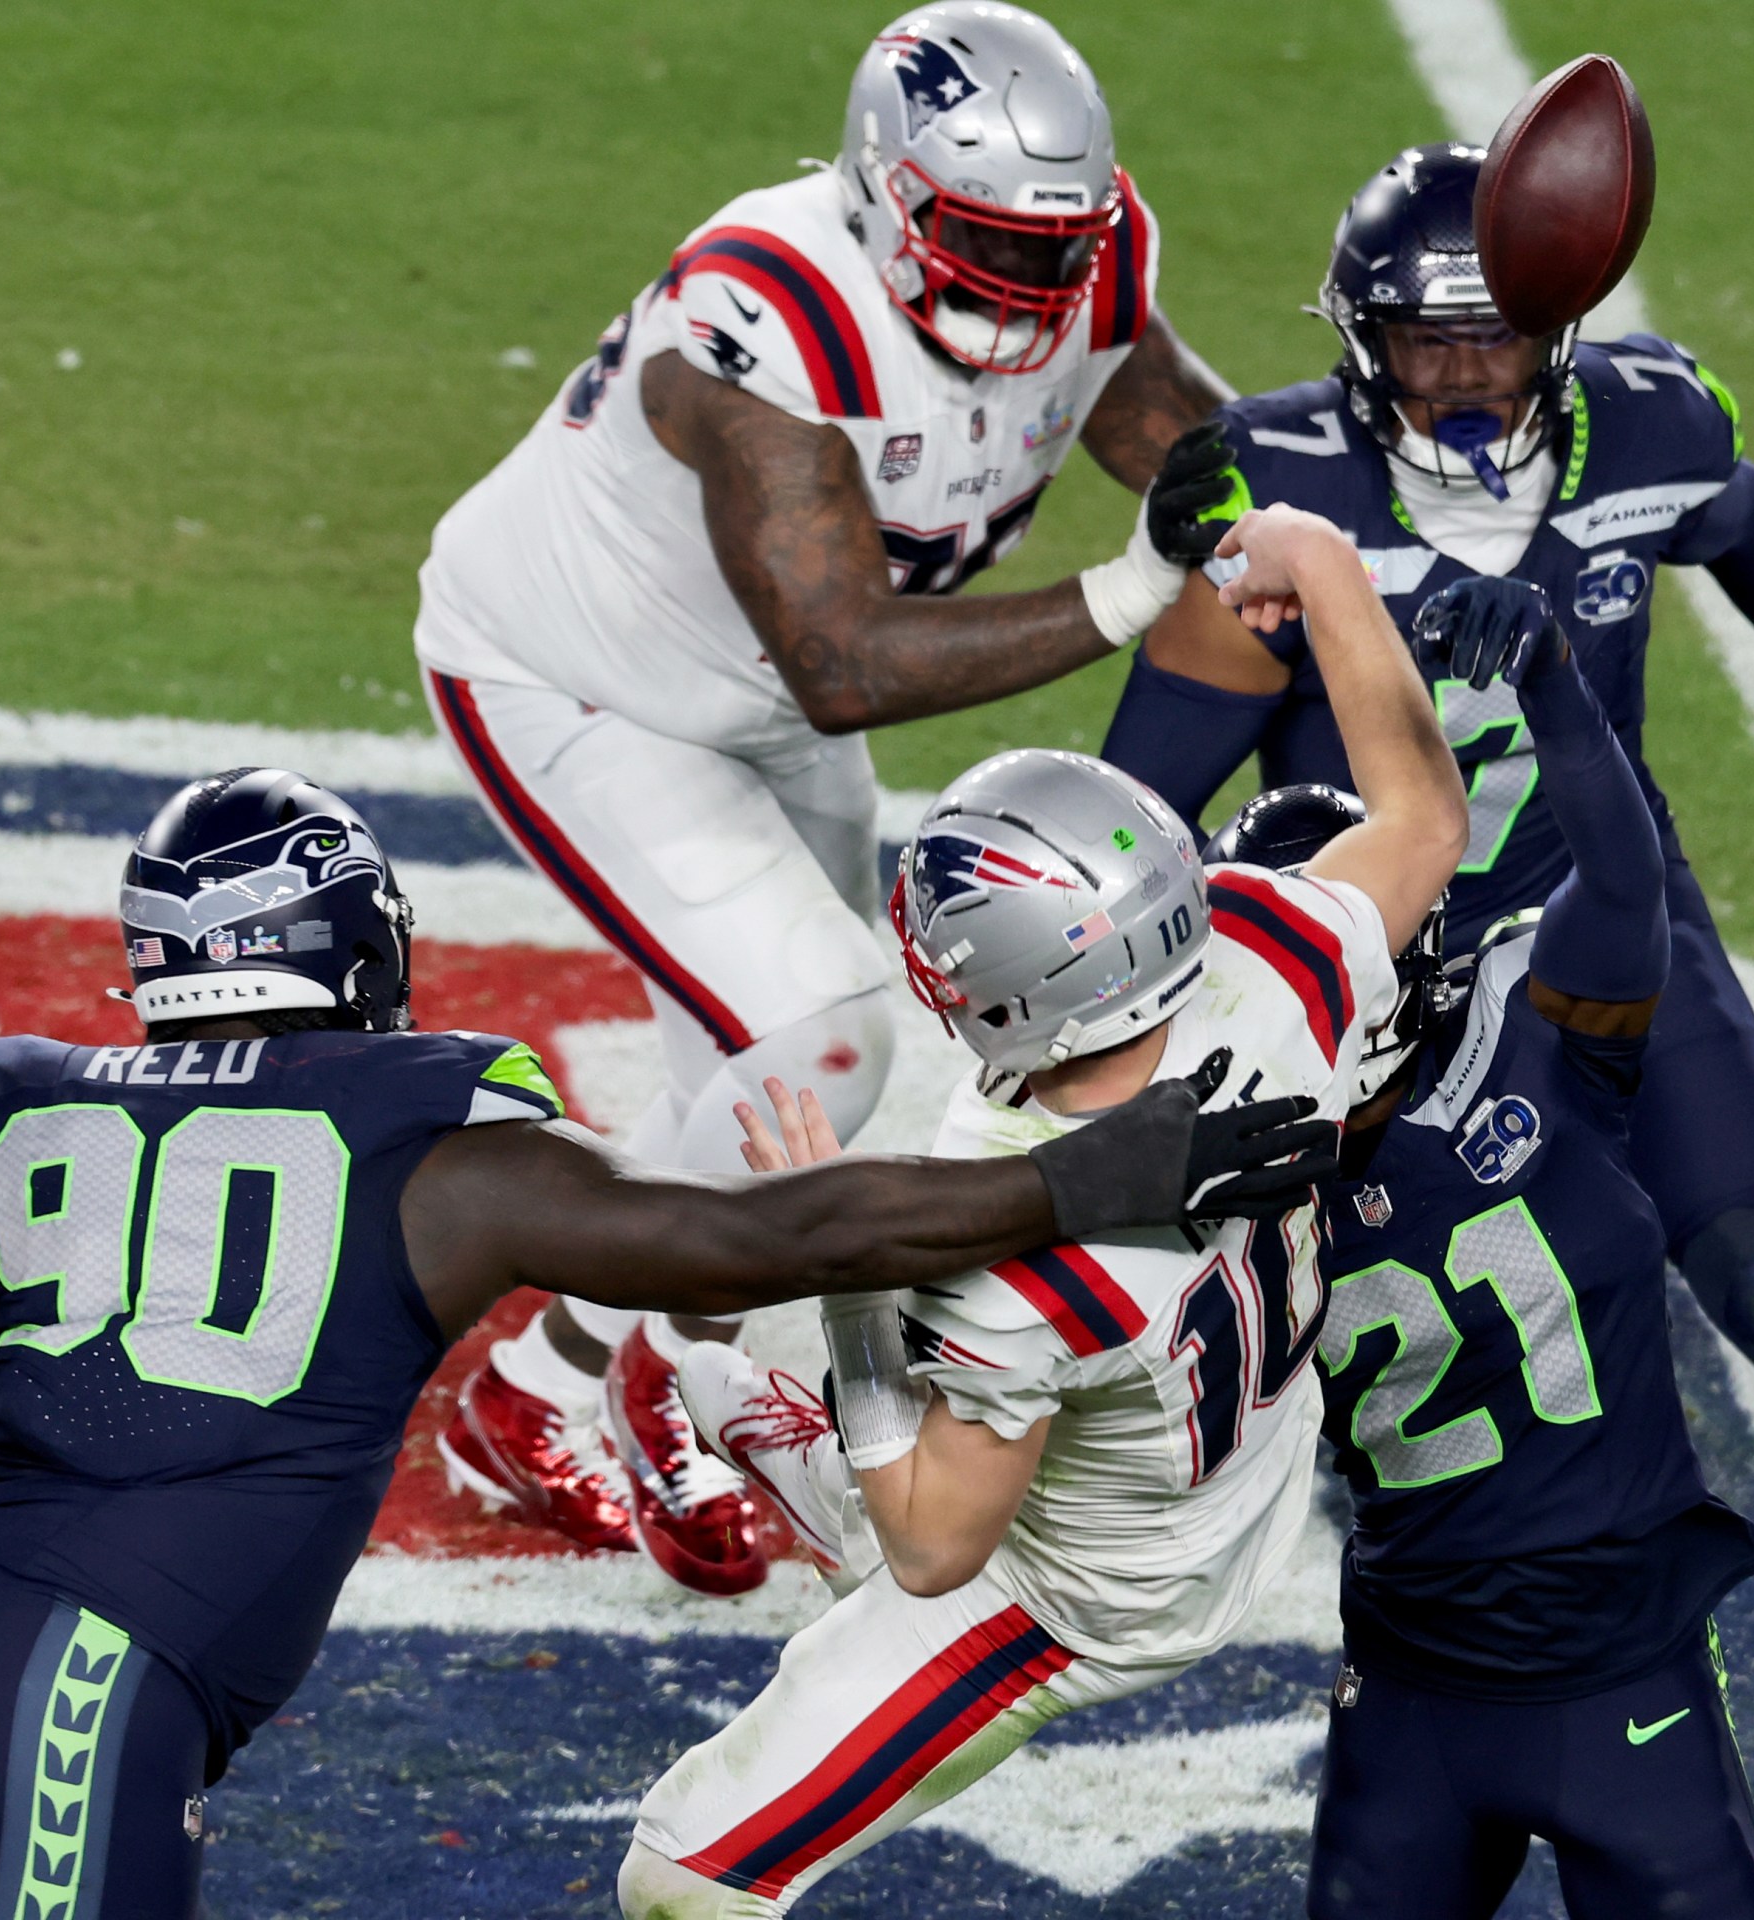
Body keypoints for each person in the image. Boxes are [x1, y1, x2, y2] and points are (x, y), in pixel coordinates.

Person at [0, 764, 1331, 1920]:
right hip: (75, 1689)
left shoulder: (18, 1086)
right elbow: (757, 1243)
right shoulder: (438, 1140)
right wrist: (1087, 1176)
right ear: (361, 945)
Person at [1094, 143, 1754, 1820]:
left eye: (1494, 336)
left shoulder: (1649, 423)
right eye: (1424, 342)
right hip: (1383, 991)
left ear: (1555, 326)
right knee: (1367, 1356)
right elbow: (1145, 800)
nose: (1461, 374)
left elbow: (1749, 519)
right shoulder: (1267, 492)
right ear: (1359, 340)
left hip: (1603, 932)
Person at [413, 1, 1236, 1593]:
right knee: (833, 1039)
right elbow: (843, 663)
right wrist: (1135, 591)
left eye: (1044, 247)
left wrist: (1315, 504)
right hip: (578, 681)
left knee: (761, 1060)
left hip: (752, 696)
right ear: (883, 192)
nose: (1021, 285)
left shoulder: (1092, 262)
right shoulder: (767, 313)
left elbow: (1191, 442)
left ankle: (542, 1386)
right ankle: (673, 1352)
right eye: (980, 238)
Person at [615, 501, 1468, 1917]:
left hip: (1080, 1593)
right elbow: (1425, 811)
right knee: (790, 1357)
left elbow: (939, 1548)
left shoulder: (1014, 1268)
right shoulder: (1288, 953)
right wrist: (1324, 566)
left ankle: (768, 1426)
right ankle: (759, 1408)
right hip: (1241, 1463)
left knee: (686, 1873)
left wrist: (854, 1270)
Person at [1231, 576, 1754, 1916]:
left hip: (1550, 1678)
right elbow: (1622, 871)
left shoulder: (1238, 1169)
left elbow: (1620, 873)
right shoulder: (1240, 1167)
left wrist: (1554, 681)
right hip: (1434, 1674)